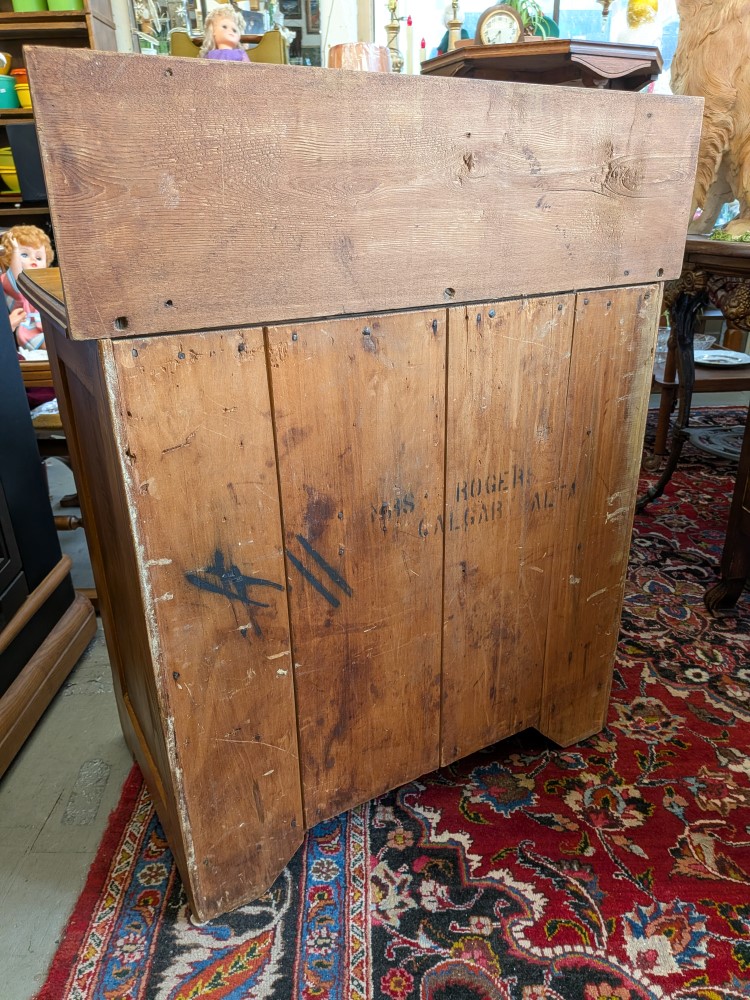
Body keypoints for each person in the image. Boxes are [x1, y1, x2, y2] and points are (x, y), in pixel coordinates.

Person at [0, 225, 54, 351]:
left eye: (39, 257)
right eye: (24, 254)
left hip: (49, 325)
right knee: (50, 344)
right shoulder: (9, 279)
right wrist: (15, 251)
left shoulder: (45, 280)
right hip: (28, 326)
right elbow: (17, 277)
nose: (33, 259)